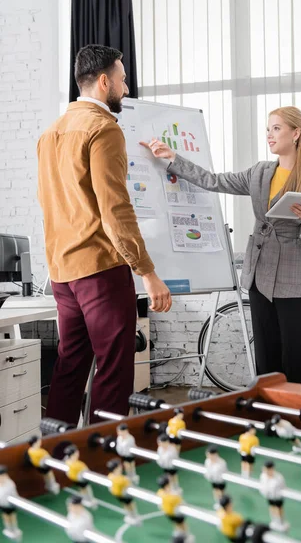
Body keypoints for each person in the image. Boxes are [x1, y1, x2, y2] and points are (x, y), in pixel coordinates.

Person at [141, 106, 301, 385]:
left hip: (292, 277)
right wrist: (174, 159)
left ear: (296, 133)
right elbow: (214, 181)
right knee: (267, 358)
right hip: (258, 275)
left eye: (276, 128)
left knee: (298, 358)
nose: (269, 135)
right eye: (268, 129)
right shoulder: (260, 172)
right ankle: (271, 419)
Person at [37, 44, 172, 424]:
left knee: (70, 366)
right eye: (122, 80)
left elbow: (49, 203)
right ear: (102, 82)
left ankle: (57, 455)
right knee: (114, 370)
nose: (125, 89)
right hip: (100, 268)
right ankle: (101, 457)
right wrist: (147, 271)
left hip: (62, 271)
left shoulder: (50, 134)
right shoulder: (103, 129)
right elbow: (115, 209)